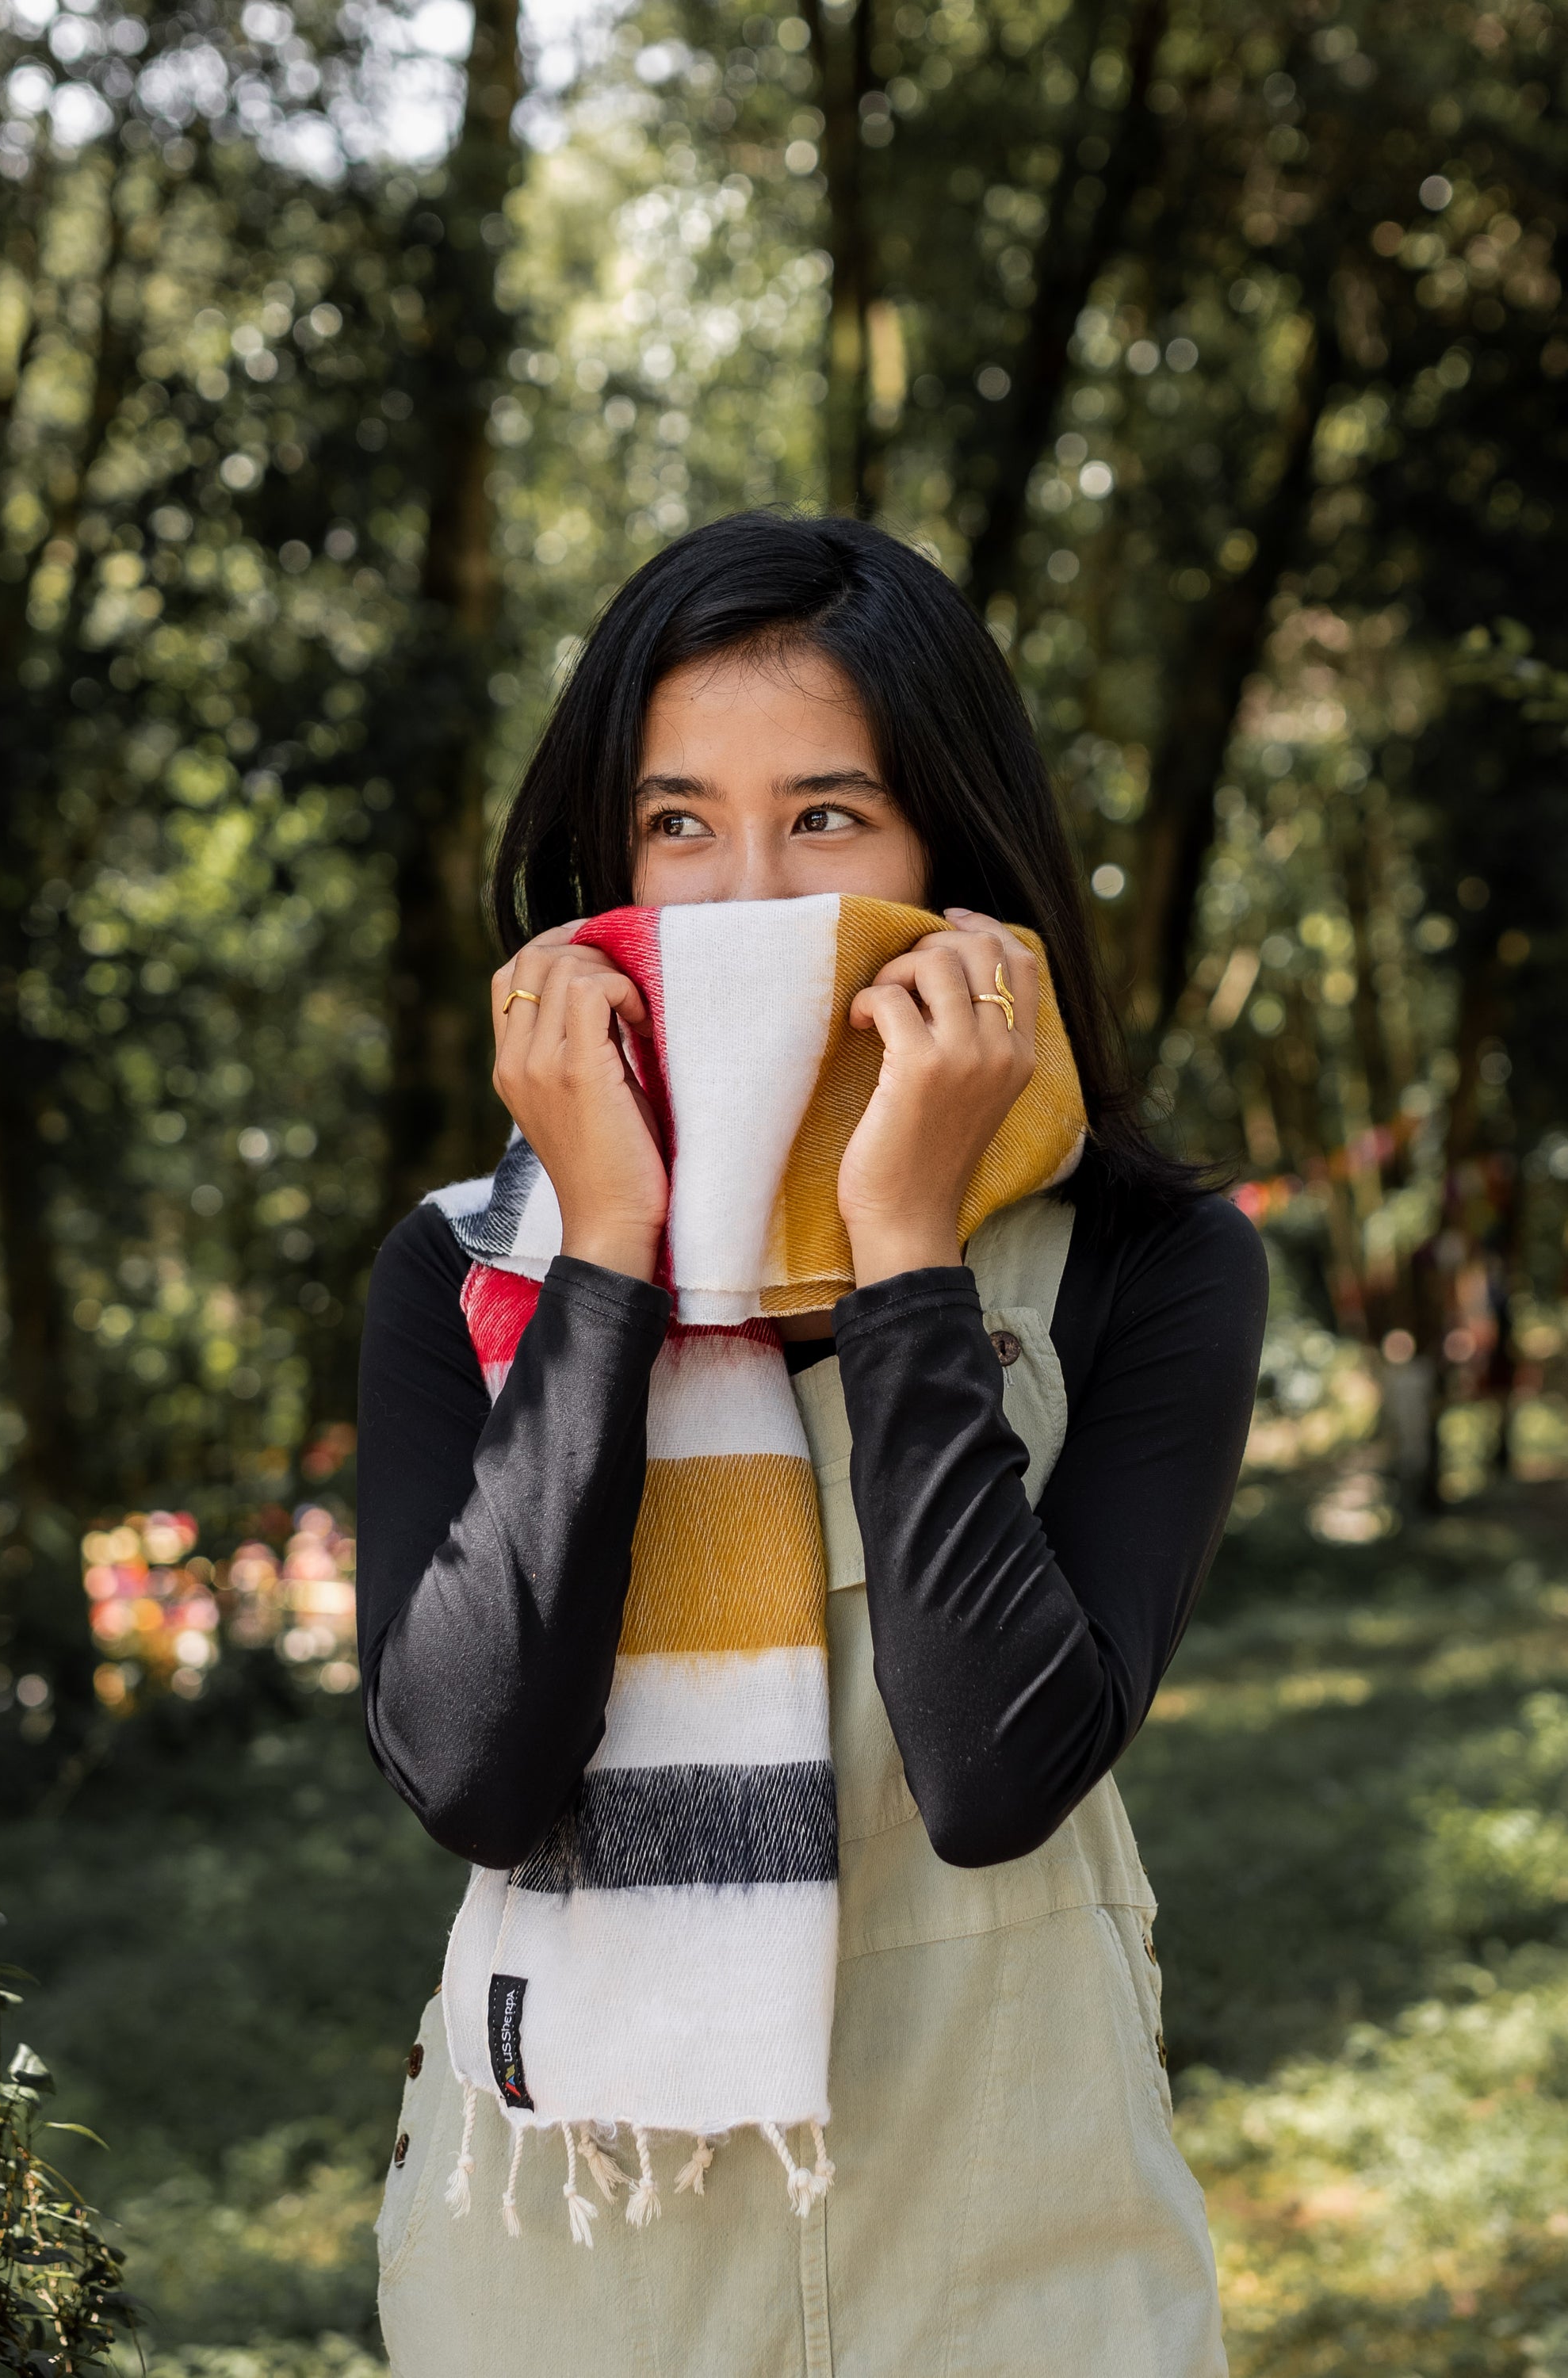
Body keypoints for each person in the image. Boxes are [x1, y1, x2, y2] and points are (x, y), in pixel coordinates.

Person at [357, 510, 1268, 2377]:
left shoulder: (1149, 1264)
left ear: (951, 855)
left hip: (1021, 2239)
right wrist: (609, 1252)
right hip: (577, 2263)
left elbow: (997, 1776)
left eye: (828, 817)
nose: (748, 901)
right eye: (679, 824)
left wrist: (905, 1246)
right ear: (603, 863)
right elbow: (472, 1776)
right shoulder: (467, 1268)